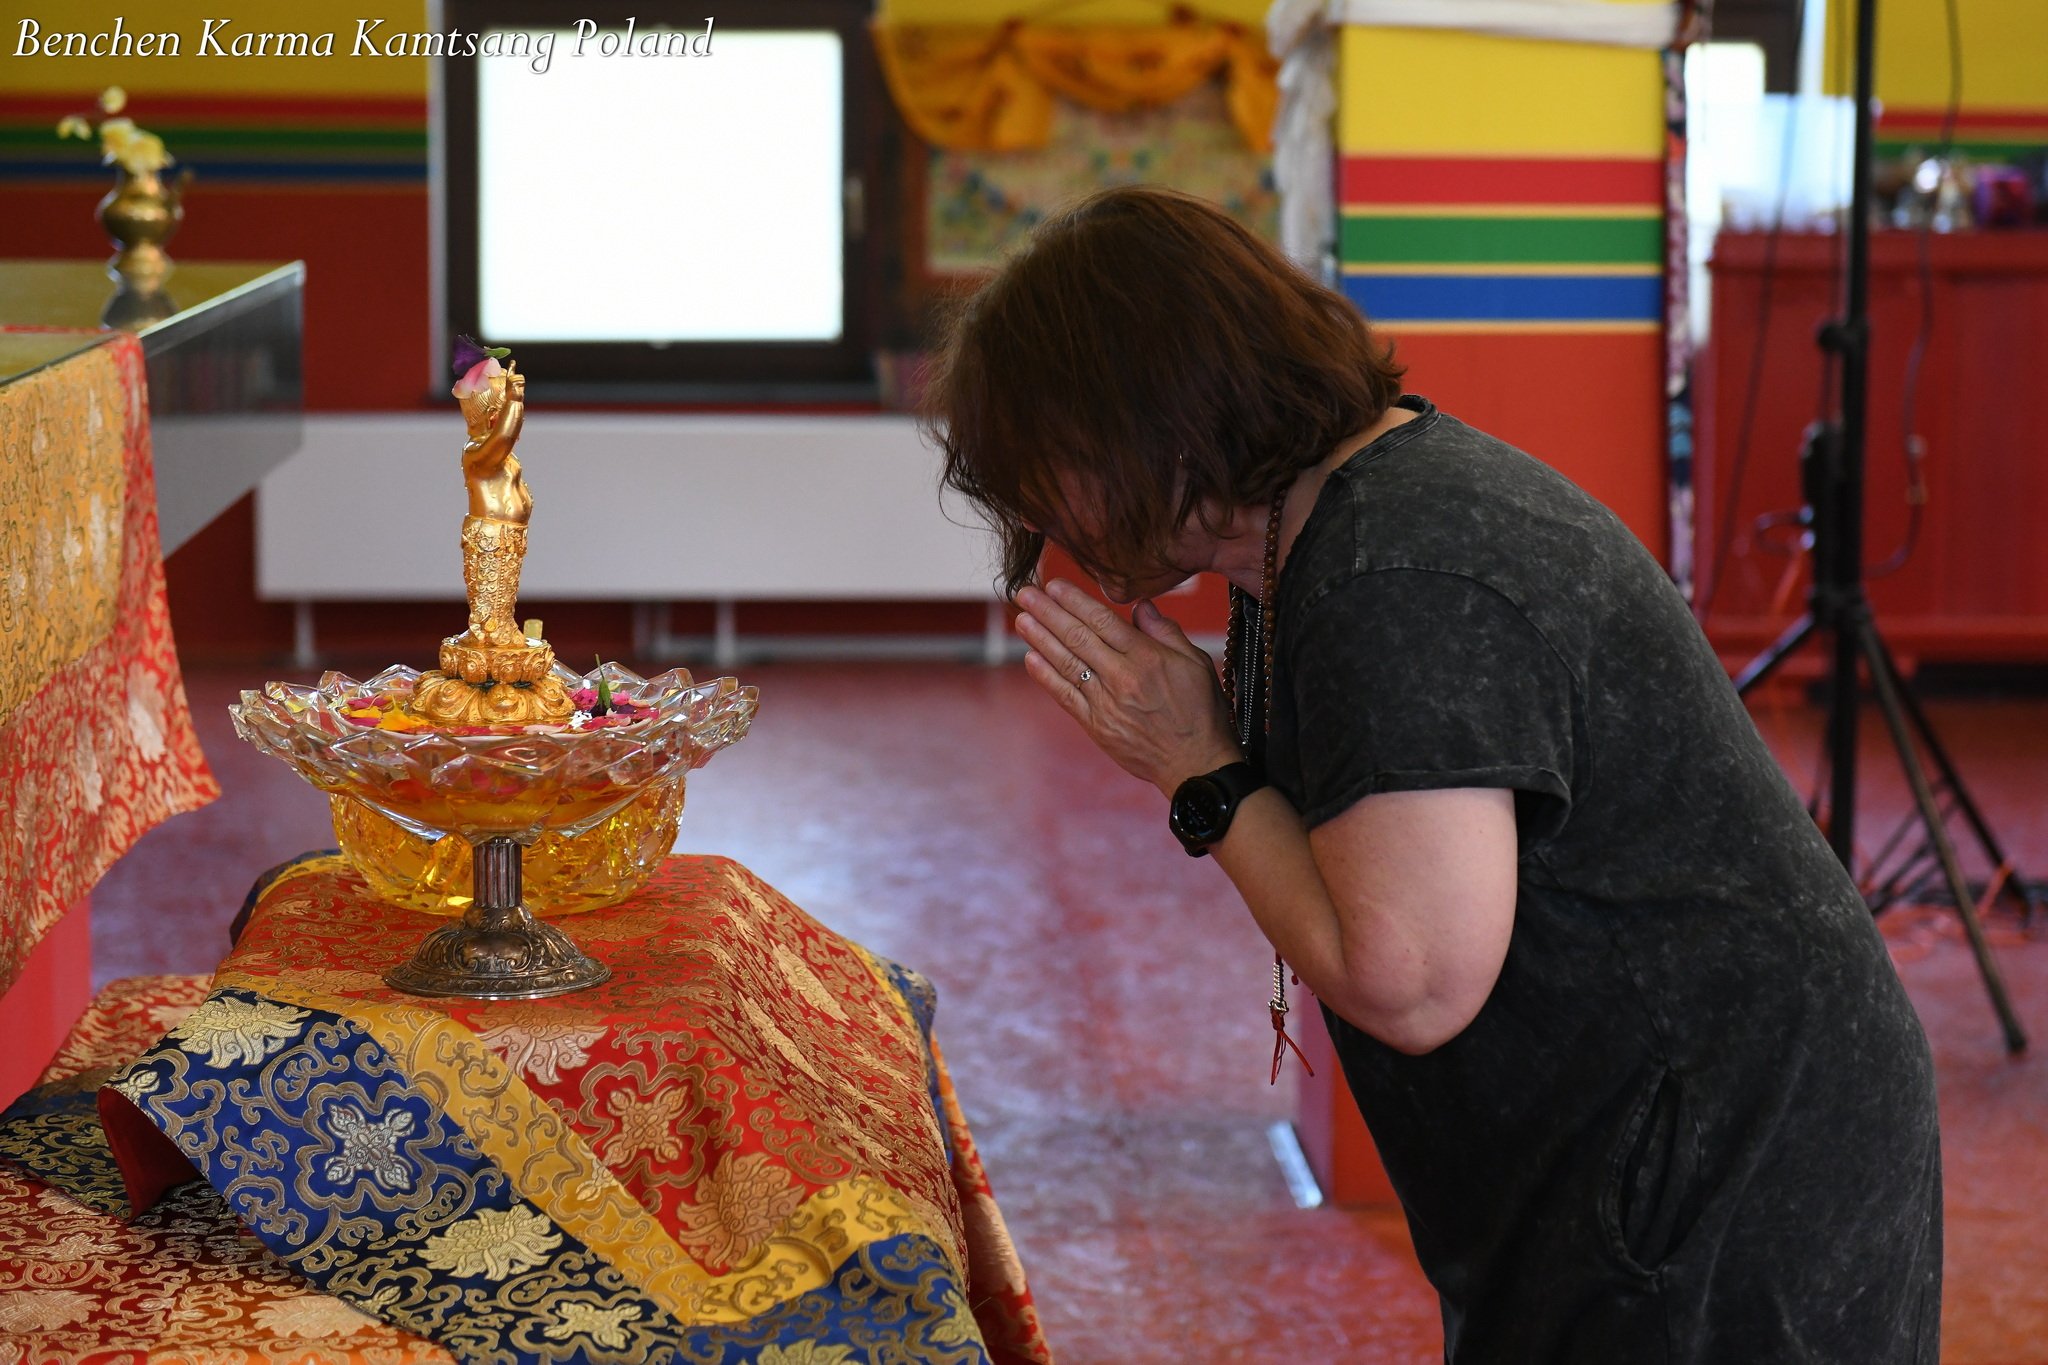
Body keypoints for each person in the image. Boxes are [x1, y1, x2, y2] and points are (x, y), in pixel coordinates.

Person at [925, 185, 1941, 1364]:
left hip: (1720, 1168)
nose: (1042, 512)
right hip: (1670, 1137)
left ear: (1154, 423)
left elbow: (1407, 983)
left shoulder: (1392, 572)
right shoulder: (1323, 526)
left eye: (1049, 465)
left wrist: (1195, 766)